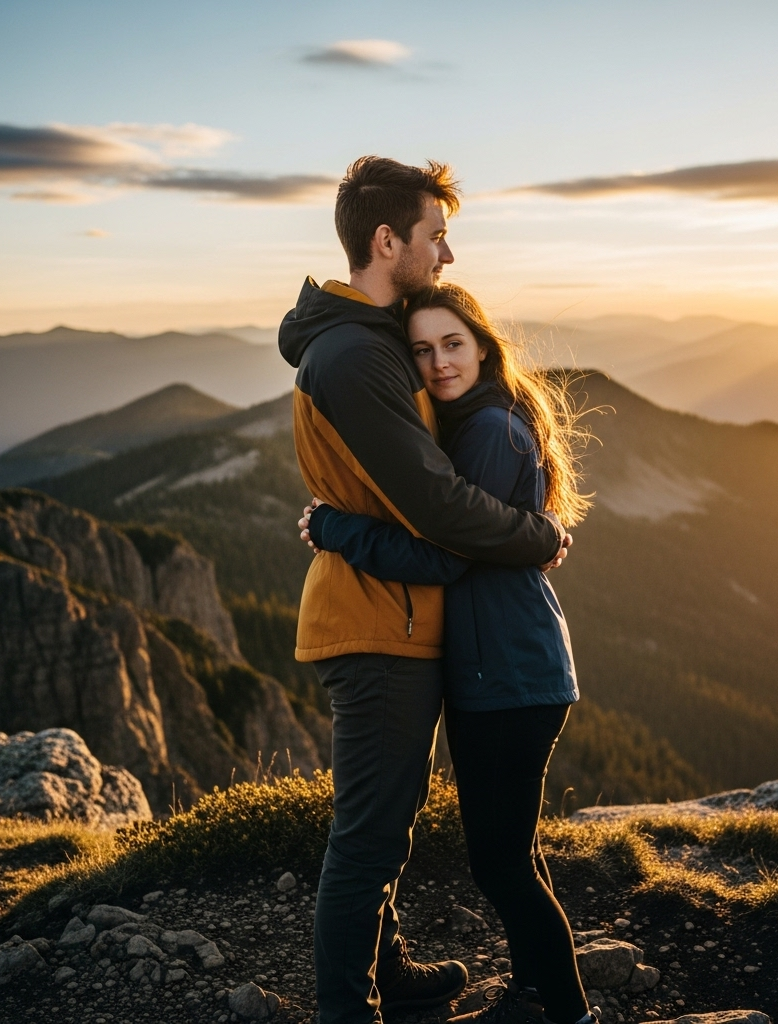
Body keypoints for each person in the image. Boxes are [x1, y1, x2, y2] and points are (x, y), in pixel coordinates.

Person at [278, 156, 571, 1024]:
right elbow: (439, 511)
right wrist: (539, 536)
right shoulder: (357, 356)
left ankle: (388, 965)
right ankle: (349, 1009)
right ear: (386, 240)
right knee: (367, 835)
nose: (446, 256)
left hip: (398, 615)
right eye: (435, 236)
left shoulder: (372, 340)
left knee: (388, 822)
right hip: (377, 619)